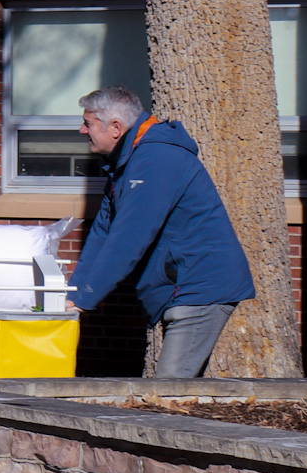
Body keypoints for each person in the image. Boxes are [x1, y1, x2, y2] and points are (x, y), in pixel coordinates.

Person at [65, 85, 255, 377]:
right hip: (183, 288)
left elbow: (128, 239)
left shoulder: (156, 160)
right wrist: (73, 294)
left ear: (115, 127)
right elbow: (102, 232)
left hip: (199, 289)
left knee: (167, 393)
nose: (81, 130)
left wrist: (85, 300)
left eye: (87, 123)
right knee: (180, 393)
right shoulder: (125, 164)